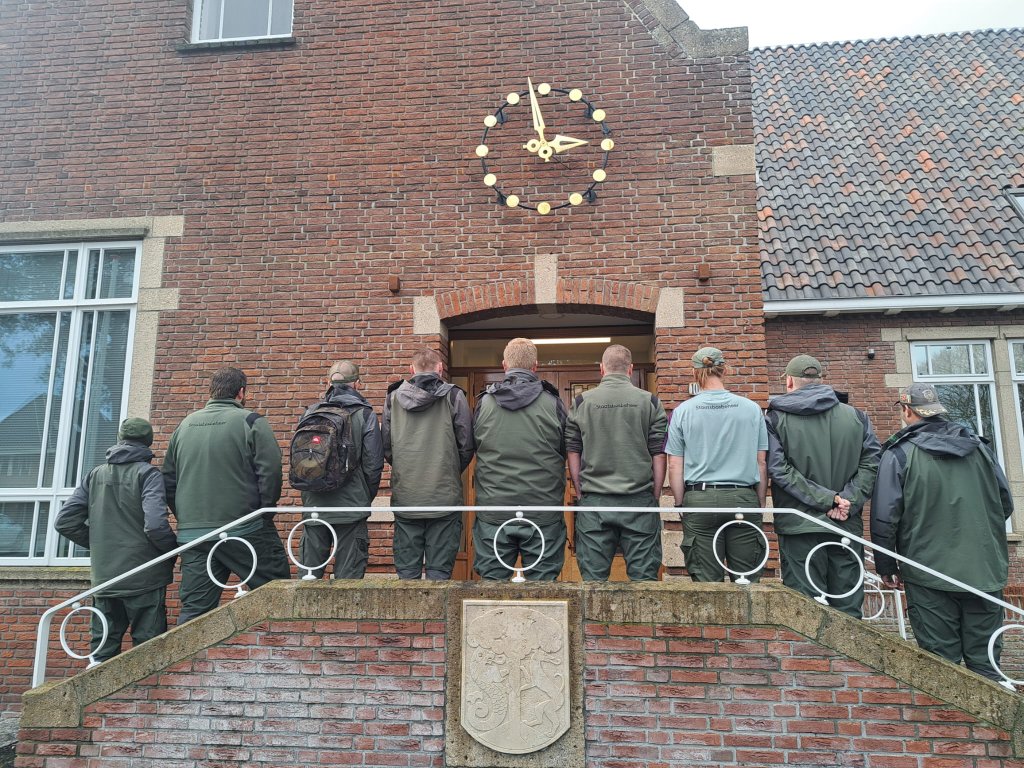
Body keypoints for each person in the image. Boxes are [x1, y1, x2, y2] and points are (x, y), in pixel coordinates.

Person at [871, 383, 1013, 680]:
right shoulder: (981, 449)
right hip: (983, 571)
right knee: (988, 664)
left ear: (907, 411)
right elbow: (1005, 504)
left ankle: (952, 727)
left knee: (940, 666)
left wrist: (887, 565)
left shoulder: (898, 454)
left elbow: (885, 516)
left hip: (928, 573)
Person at [163, 367, 290, 623]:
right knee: (279, 596)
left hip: (195, 535)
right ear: (241, 392)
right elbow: (271, 471)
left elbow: (167, 480)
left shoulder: (184, 426)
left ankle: (186, 664)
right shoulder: (251, 422)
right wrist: (264, 512)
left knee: (194, 614)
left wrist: (187, 518)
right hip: (246, 528)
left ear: (211, 391)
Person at [765, 355, 880, 616]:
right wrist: (847, 499)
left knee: (805, 613)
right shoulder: (857, 417)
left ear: (790, 381)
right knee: (848, 610)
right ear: (820, 381)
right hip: (845, 525)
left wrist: (827, 500)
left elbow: (778, 469)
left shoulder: (775, 418)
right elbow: (872, 463)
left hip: (800, 526)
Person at [55, 418, 176, 661]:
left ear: (120, 439)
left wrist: (101, 546)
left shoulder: (95, 474)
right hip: (145, 577)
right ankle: (147, 699)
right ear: (148, 442)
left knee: (101, 655)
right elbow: (155, 525)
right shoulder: (148, 474)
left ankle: (99, 701)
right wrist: (172, 551)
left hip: (106, 580)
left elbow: (64, 522)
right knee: (149, 655)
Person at [565, 344, 667, 582]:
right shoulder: (650, 402)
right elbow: (659, 453)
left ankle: (594, 621)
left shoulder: (581, 402)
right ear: (630, 369)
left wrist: (580, 491)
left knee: (593, 581)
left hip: (595, 502)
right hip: (639, 500)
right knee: (644, 581)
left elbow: (573, 451)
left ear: (602, 369)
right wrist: (654, 493)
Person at [666, 347, 768, 583]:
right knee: (747, 581)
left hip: (700, 500)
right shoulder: (752, 409)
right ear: (725, 370)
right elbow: (761, 462)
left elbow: (675, 465)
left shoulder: (682, 412)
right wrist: (759, 502)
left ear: (695, 373)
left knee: (706, 585)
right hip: (743, 498)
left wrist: (681, 503)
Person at [473, 338, 568, 581]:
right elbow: (566, 448)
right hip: (542, 511)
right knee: (544, 590)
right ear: (535, 366)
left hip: (494, 511)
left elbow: (470, 448)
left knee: (491, 591)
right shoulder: (553, 403)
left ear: (504, 365)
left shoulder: (483, 403)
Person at [383, 349, 474, 580]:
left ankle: (409, 616)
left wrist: (406, 468)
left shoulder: (393, 398)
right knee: (440, 575)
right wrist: (448, 470)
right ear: (440, 368)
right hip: (444, 497)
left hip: (407, 496)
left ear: (411, 370)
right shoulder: (454, 396)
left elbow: (386, 446)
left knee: (407, 575)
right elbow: (466, 445)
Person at [295, 361, 384, 579]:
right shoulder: (365, 415)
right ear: (357, 384)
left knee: (308, 577)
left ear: (329, 383)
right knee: (348, 578)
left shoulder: (310, 413)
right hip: (351, 506)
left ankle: (304, 614)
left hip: (315, 504)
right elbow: (374, 464)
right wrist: (364, 496)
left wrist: (308, 494)